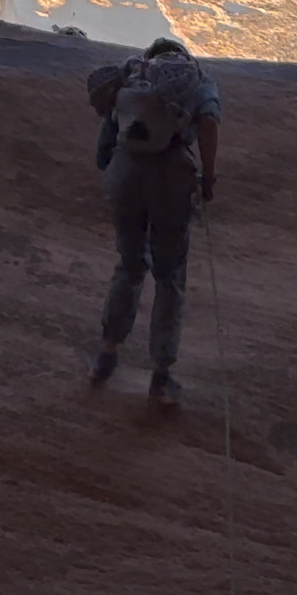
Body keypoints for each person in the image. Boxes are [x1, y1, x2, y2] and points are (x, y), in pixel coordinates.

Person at [84, 36, 221, 406]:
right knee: (169, 274)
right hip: (171, 178)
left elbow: (105, 144)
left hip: (125, 173)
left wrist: (112, 169)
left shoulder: (131, 78)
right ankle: (161, 377)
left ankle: (106, 355)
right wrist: (207, 178)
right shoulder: (196, 81)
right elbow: (208, 121)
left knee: (129, 266)